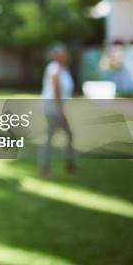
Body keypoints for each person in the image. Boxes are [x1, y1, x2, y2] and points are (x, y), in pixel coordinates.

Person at [39, 42, 75, 177]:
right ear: (56, 56)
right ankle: (46, 167)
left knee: (63, 136)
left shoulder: (63, 69)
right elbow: (56, 91)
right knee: (53, 137)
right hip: (53, 108)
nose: (65, 56)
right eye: (62, 54)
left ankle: (68, 165)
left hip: (57, 107)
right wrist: (60, 111)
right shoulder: (54, 69)